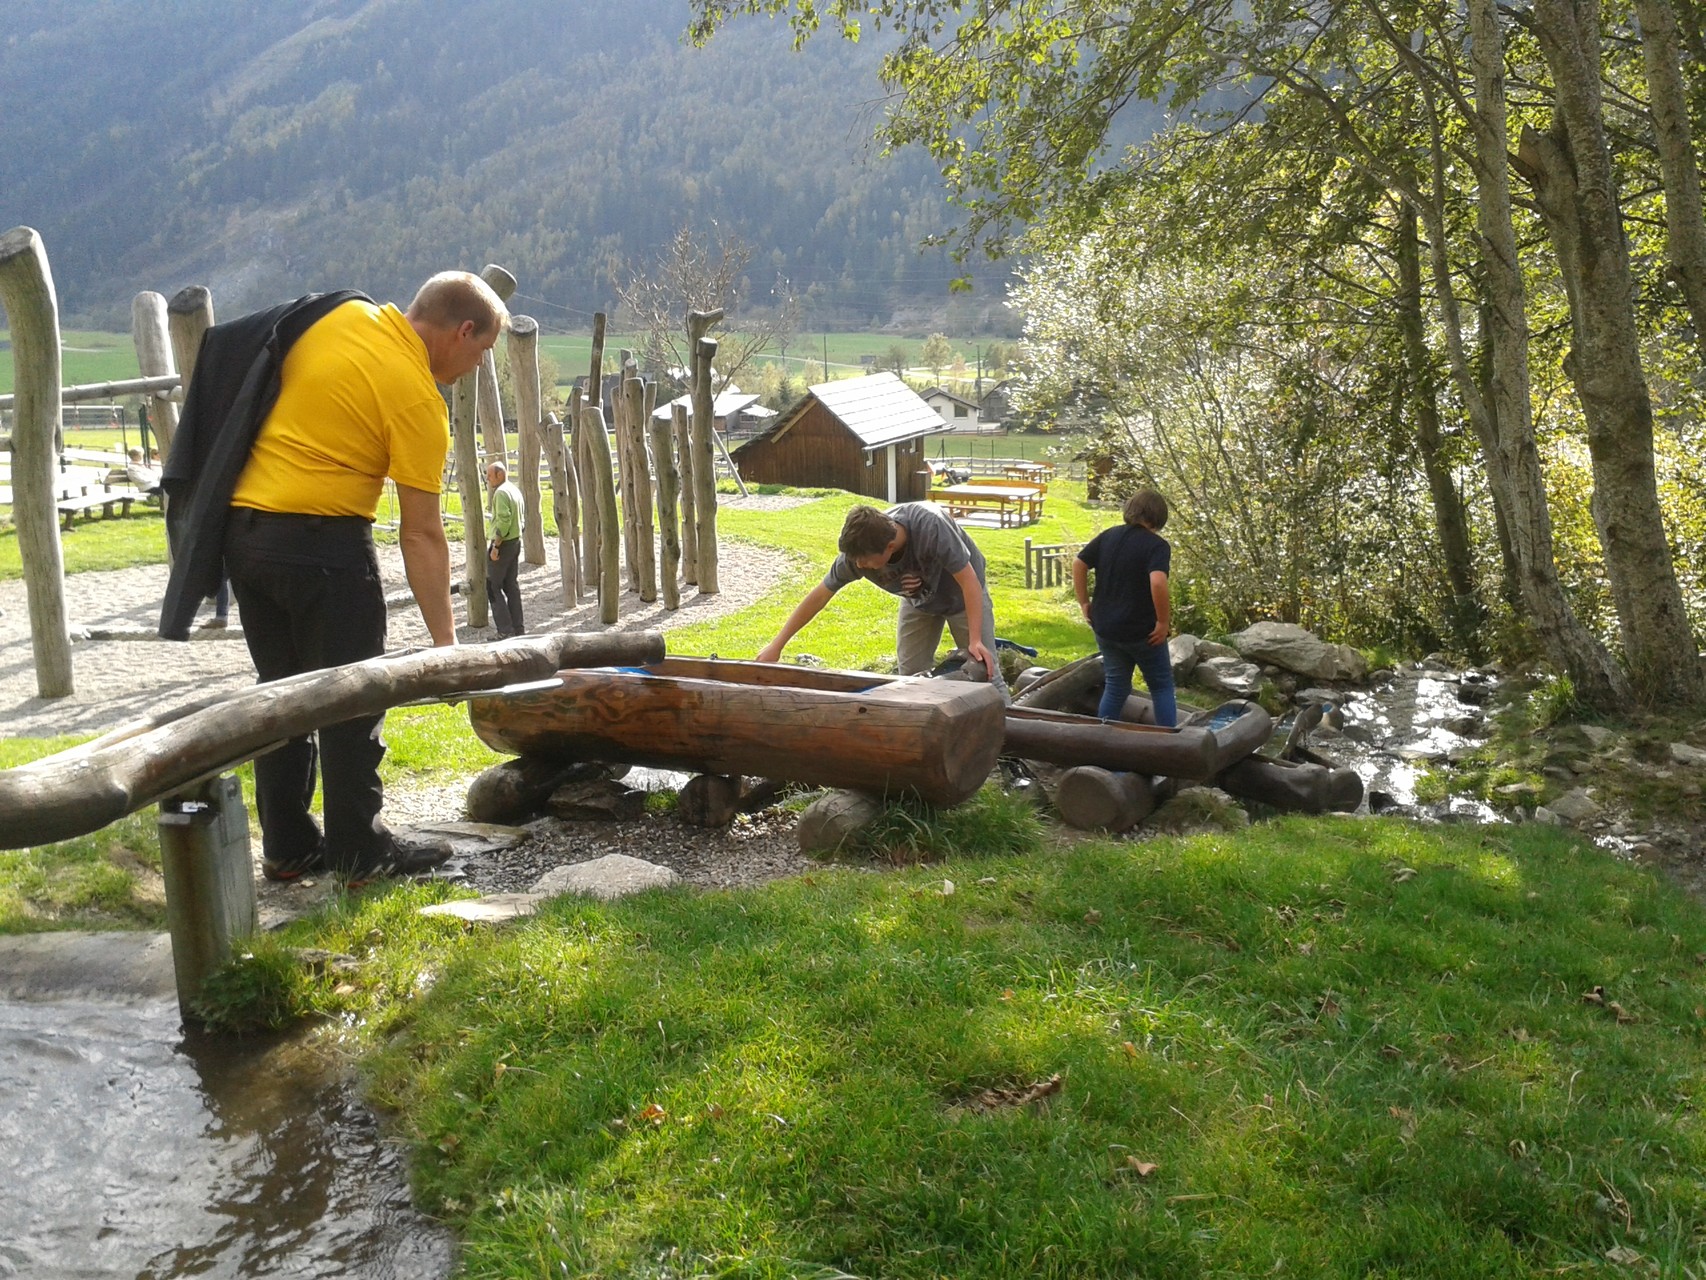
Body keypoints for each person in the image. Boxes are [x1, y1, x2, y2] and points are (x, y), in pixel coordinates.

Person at [159, 271, 509, 885]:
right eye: (482, 350)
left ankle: (289, 846)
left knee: (281, 695)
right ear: (462, 331)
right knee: (354, 701)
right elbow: (422, 533)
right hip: (324, 549)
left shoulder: (341, 315)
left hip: (245, 542)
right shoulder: (416, 396)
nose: (479, 365)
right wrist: (446, 645)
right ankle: (360, 853)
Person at [757, 502, 1007, 696]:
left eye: (864, 560)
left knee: (985, 668)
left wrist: (974, 640)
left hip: (962, 597)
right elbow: (819, 596)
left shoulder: (931, 526)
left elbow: (969, 581)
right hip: (918, 602)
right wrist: (777, 645)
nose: (858, 565)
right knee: (910, 676)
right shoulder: (858, 552)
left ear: (890, 546)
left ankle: (1012, 749)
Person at [1073, 488, 1176, 727]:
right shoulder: (1156, 546)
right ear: (1158, 518)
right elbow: (1158, 581)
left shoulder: (1109, 536)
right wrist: (1162, 622)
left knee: (1117, 685)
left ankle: (1104, 745)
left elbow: (1079, 563)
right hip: (1142, 632)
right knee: (1161, 686)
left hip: (1106, 628)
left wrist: (1084, 602)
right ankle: (1169, 747)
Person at [484, 460, 525, 638]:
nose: (488, 479)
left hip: (504, 543)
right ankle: (518, 627)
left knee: (492, 586)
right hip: (515, 541)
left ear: (500, 474)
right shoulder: (514, 490)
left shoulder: (500, 493)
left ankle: (505, 630)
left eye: (490, 475)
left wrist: (495, 546)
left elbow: (504, 520)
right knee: (511, 586)